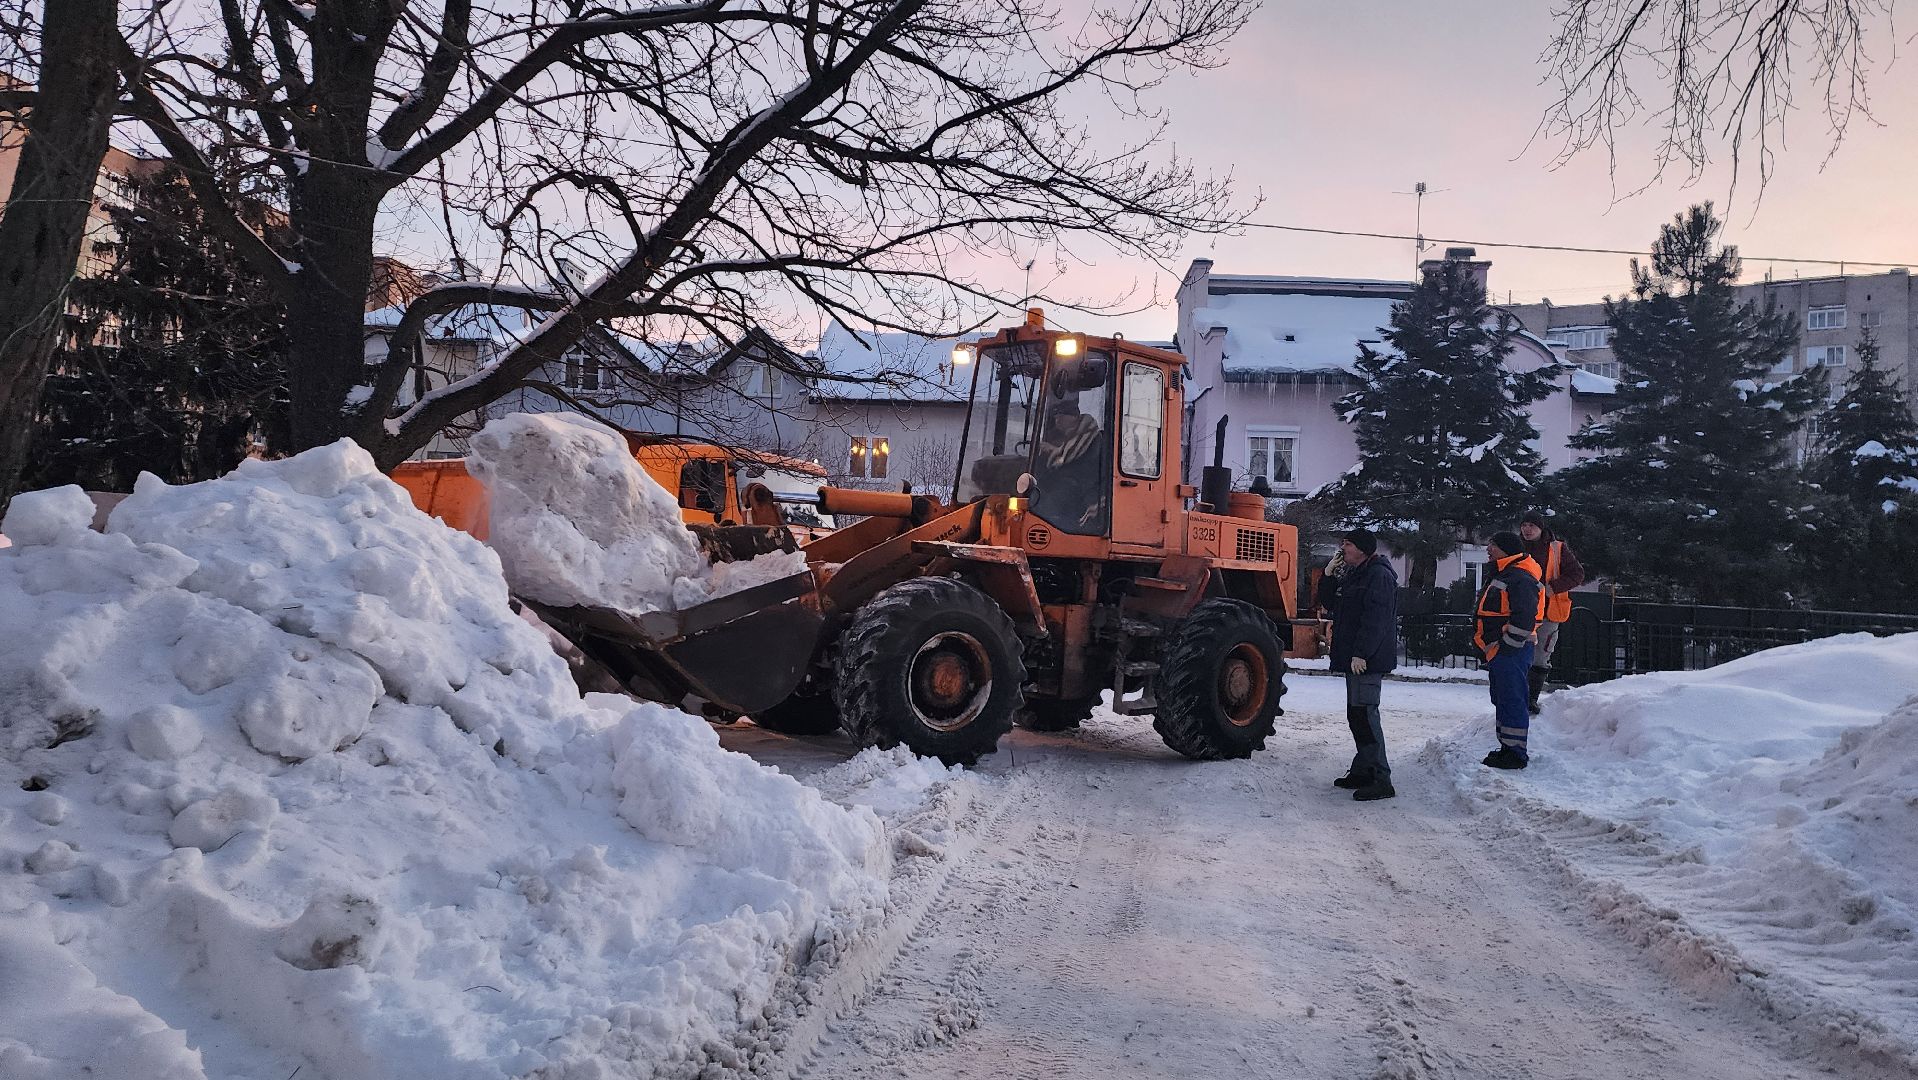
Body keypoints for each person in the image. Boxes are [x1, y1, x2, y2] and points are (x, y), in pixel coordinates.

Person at [1316, 527, 1399, 801]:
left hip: (1367, 660)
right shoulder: (1356, 574)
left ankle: (1380, 777)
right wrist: (1327, 577)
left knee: (1365, 714)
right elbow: (1332, 604)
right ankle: (1363, 769)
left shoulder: (1379, 576)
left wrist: (1361, 653)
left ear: (1363, 549)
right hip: (1355, 657)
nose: (1343, 549)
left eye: (1348, 544)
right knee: (1357, 715)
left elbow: (1376, 619)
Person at [1474, 531, 1543, 769]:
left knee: (1512, 698)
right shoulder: (1506, 573)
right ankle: (1507, 747)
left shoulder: (1519, 577)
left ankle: (1515, 754)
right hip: (1502, 651)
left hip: (1512, 651)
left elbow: (1524, 616)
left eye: (1493, 545)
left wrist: (1507, 645)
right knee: (1503, 698)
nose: (1488, 549)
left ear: (1506, 549)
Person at [1518, 510, 1586, 715]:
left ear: (1541, 528)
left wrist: (1553, 587)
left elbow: (1577, 574)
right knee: (1517, 653)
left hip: (1548, 611)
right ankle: (1517, 696)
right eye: (1524, 525)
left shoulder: (1557, 549)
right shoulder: (1515, 548)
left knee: (1541, 655)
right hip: (1519, 610)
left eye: (1532, 525)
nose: (1527, 529)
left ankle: (1531, 699)